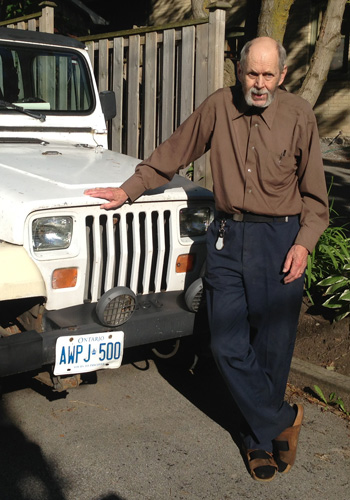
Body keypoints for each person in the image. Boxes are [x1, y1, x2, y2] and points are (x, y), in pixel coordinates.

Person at [85, 37, 329, 482]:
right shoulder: (219, 106)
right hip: (228, 236)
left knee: (272, 348)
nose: (259, 84)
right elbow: (173, 153)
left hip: (281, 239)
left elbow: (315, 195)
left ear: (283, 75)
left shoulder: (299, 115)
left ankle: (258, 441)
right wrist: (128, 190)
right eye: (252, 74)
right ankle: (282, 419)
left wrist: (304, 243)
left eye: (268, 75)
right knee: (226, 344)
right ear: (239, 72)